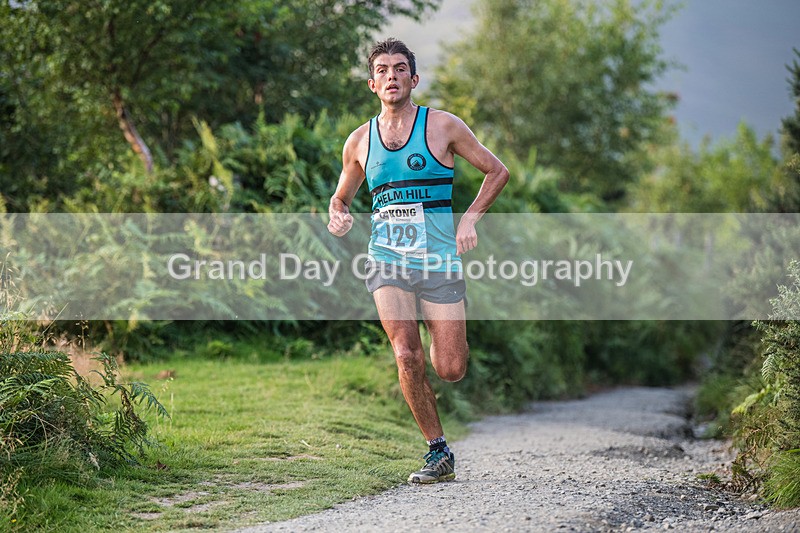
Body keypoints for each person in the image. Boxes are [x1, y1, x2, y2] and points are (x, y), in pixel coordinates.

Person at [327, 38, 508, 484]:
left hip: (439, 260)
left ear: (414, 78)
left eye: (400, 68)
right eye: (383, 70)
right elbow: (341, 196)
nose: (392, 76)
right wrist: (338, 215)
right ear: (372, 83)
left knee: (449, 368)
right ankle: (438, 451)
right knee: (405, 355)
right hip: (387, 260)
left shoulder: (443, 127)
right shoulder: (359, 141)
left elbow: (497, 170)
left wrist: (469, 219)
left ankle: (442, 333)